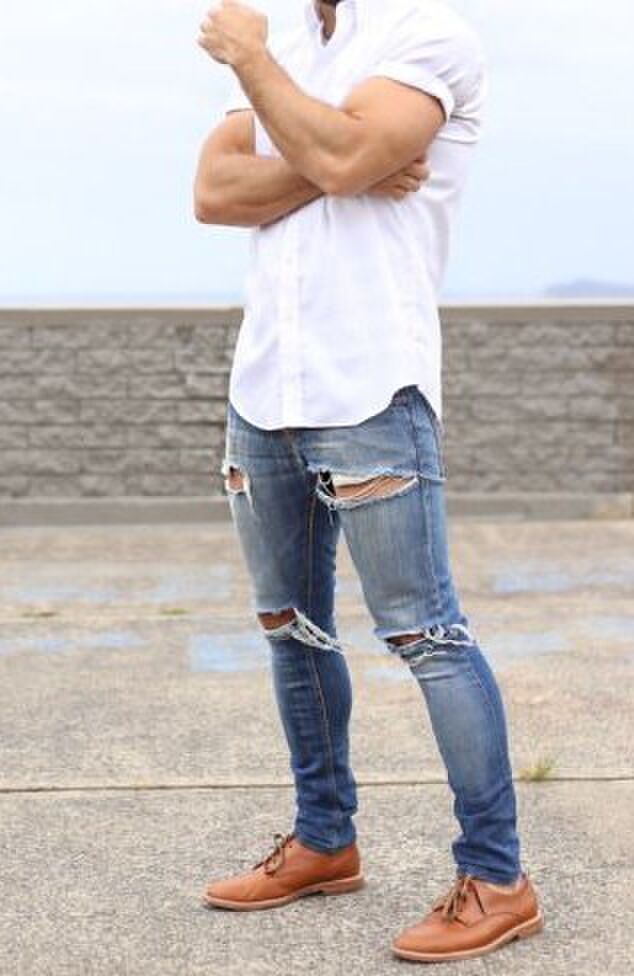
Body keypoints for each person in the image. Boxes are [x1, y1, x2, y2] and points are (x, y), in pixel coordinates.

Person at [193, 0, 544, 962]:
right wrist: (332, 160)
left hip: (371, 388)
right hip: (265, 388)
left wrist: (263, 76)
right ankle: (324, 840)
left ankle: (498, 877)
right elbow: (215, 192)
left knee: (428, 637)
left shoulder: (428, 35)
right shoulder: (291, 45)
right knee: (291, 630)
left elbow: (346, 157)